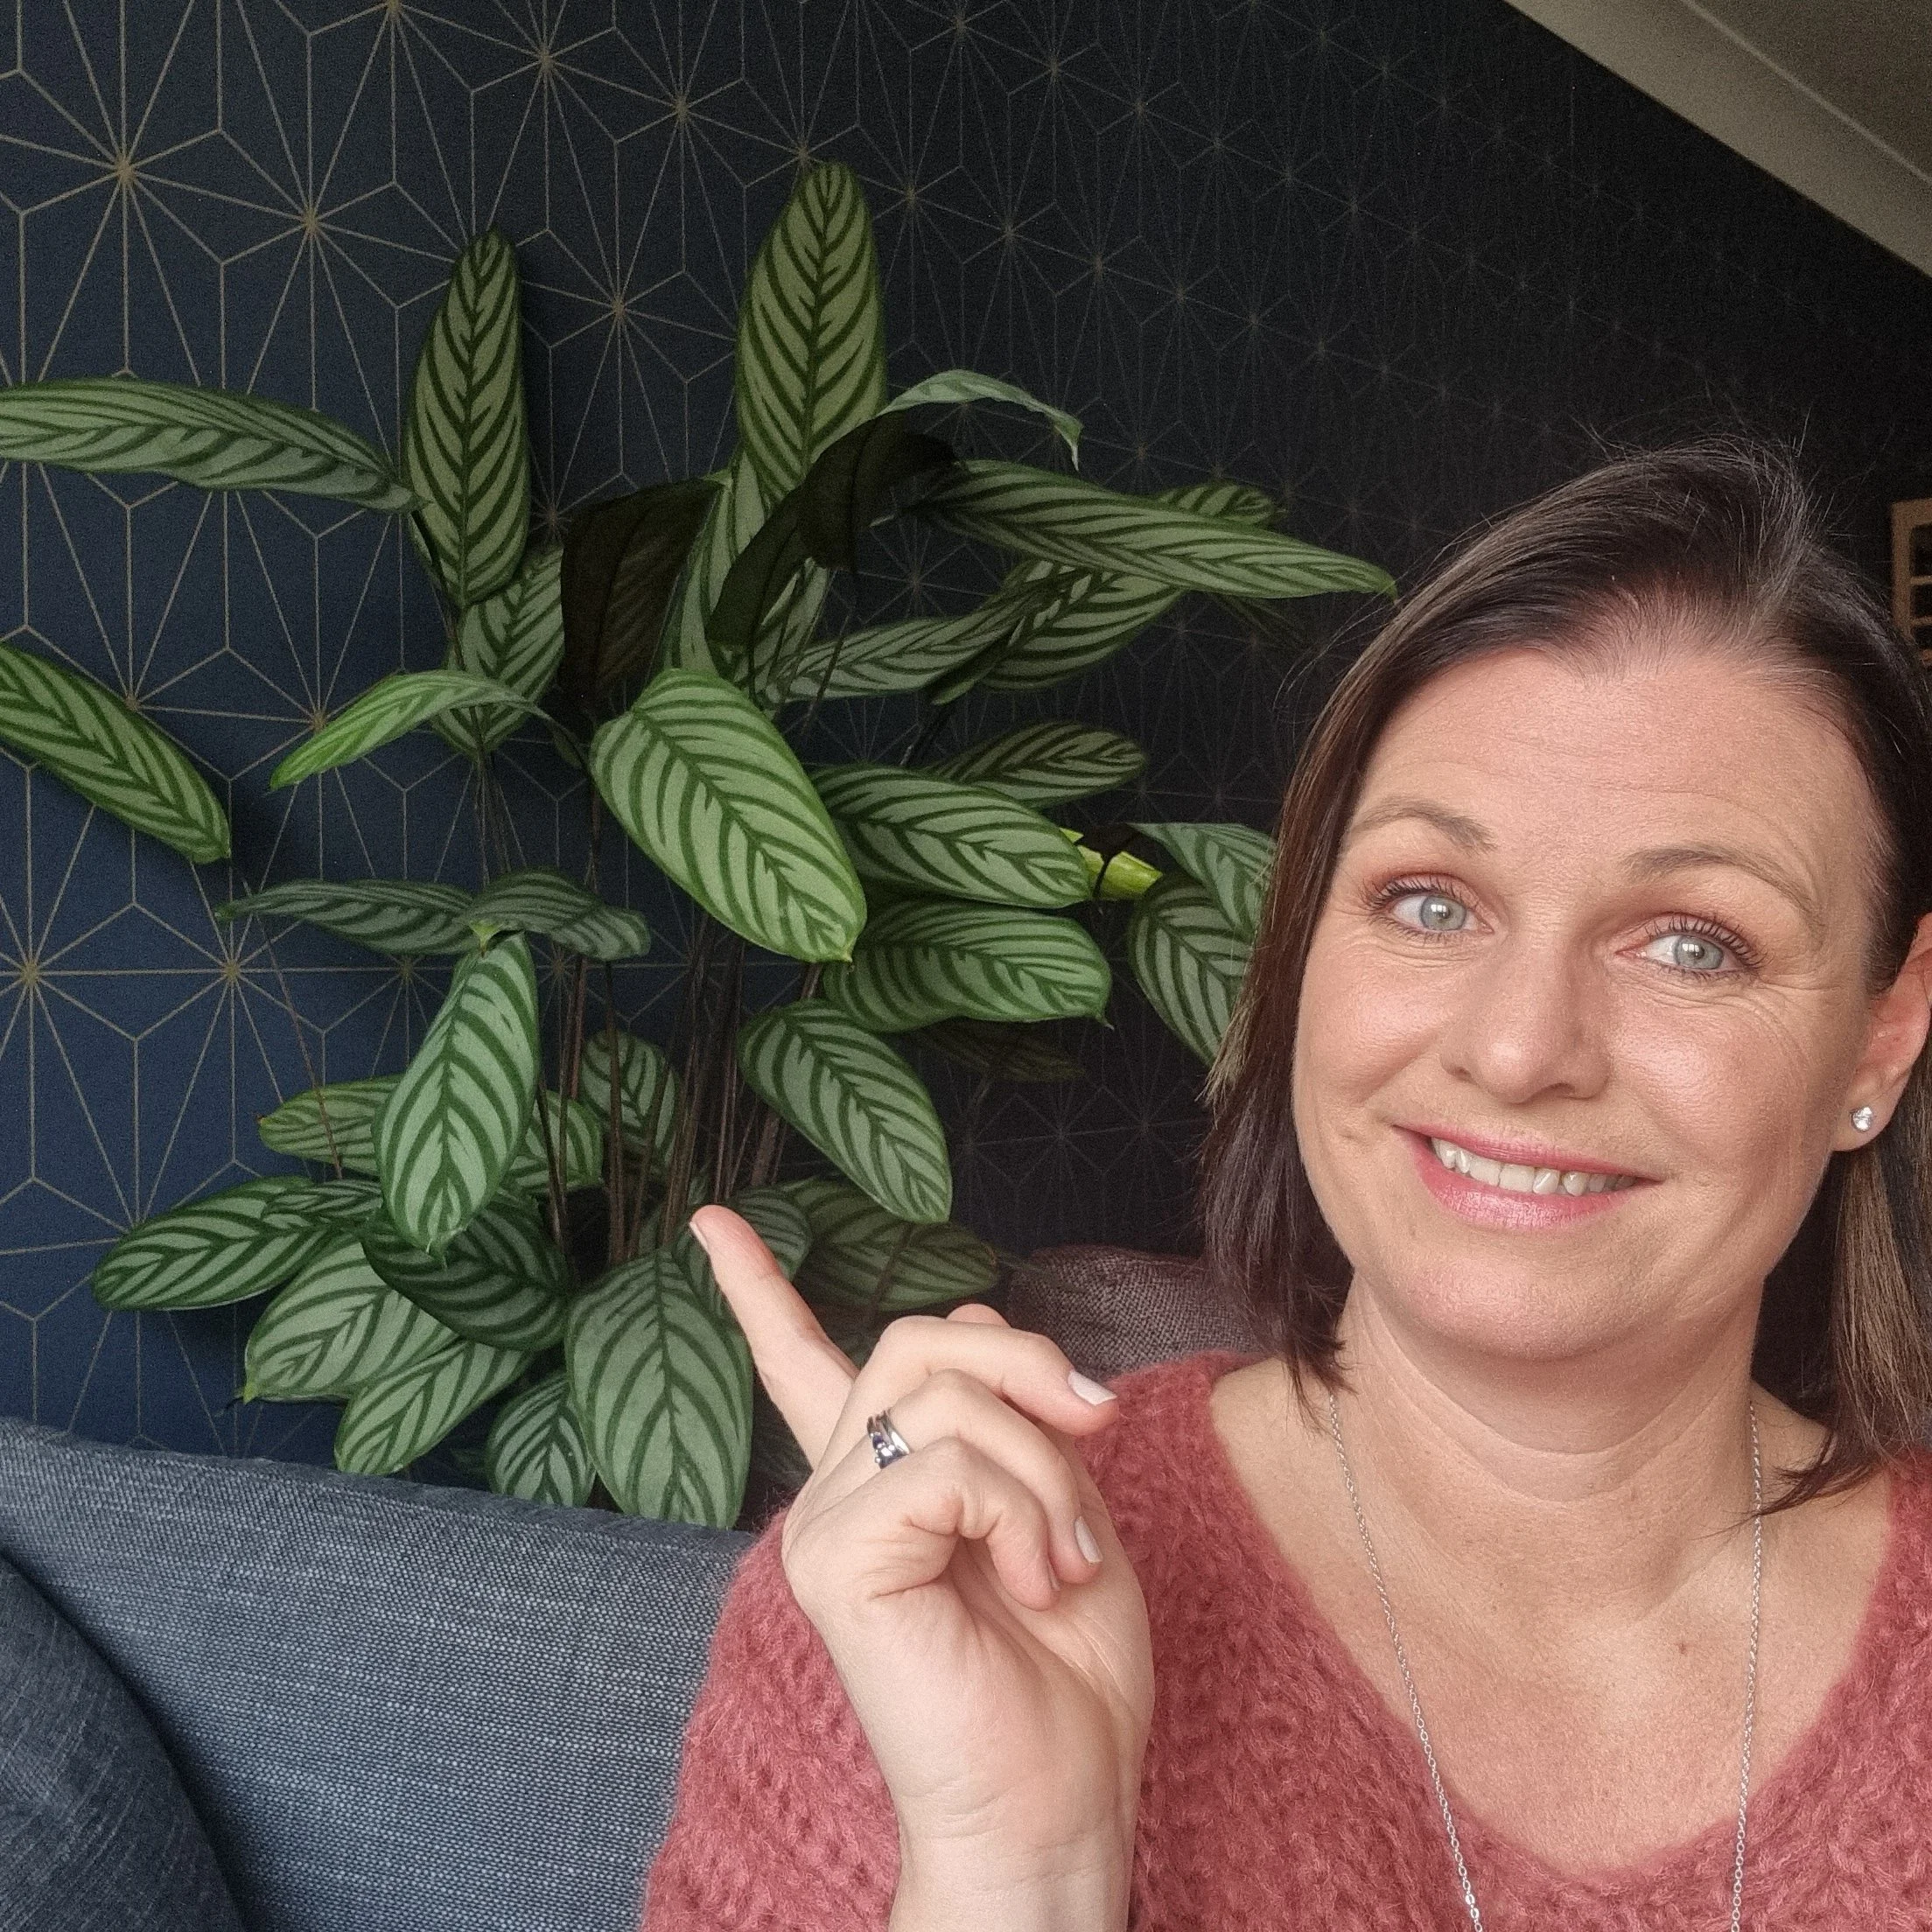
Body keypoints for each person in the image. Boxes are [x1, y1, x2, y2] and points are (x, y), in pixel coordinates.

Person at [640, 438, 1932, 1931]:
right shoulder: (932, 1594)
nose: (1519, 1049)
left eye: (1694, 940)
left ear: (1882, 1033)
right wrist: (1021, 1874)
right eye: (1429, 901)